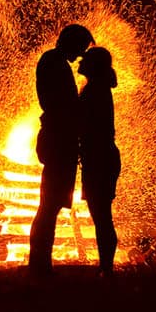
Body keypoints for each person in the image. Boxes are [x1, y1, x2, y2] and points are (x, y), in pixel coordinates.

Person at [28, 24, 94, 275]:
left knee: (50, 205)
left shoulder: (54, 61)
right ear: (71, 42)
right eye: (80, 48)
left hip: (58, 139)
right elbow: (62, 104)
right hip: (58, 139)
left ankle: (41, 264)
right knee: (49, 206)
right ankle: (40, 266)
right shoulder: (54, 62)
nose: (80, 55)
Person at [78, 47, 121, 276]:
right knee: (101, 214)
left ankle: (106, 268)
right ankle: (106, 267)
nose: (79, 63)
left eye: (84, 59)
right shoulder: (97, 88)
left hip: (100, 158)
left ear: (93, 65)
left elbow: (87, 125)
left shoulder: (95, 90)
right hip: (101, 157)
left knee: (102, 215)